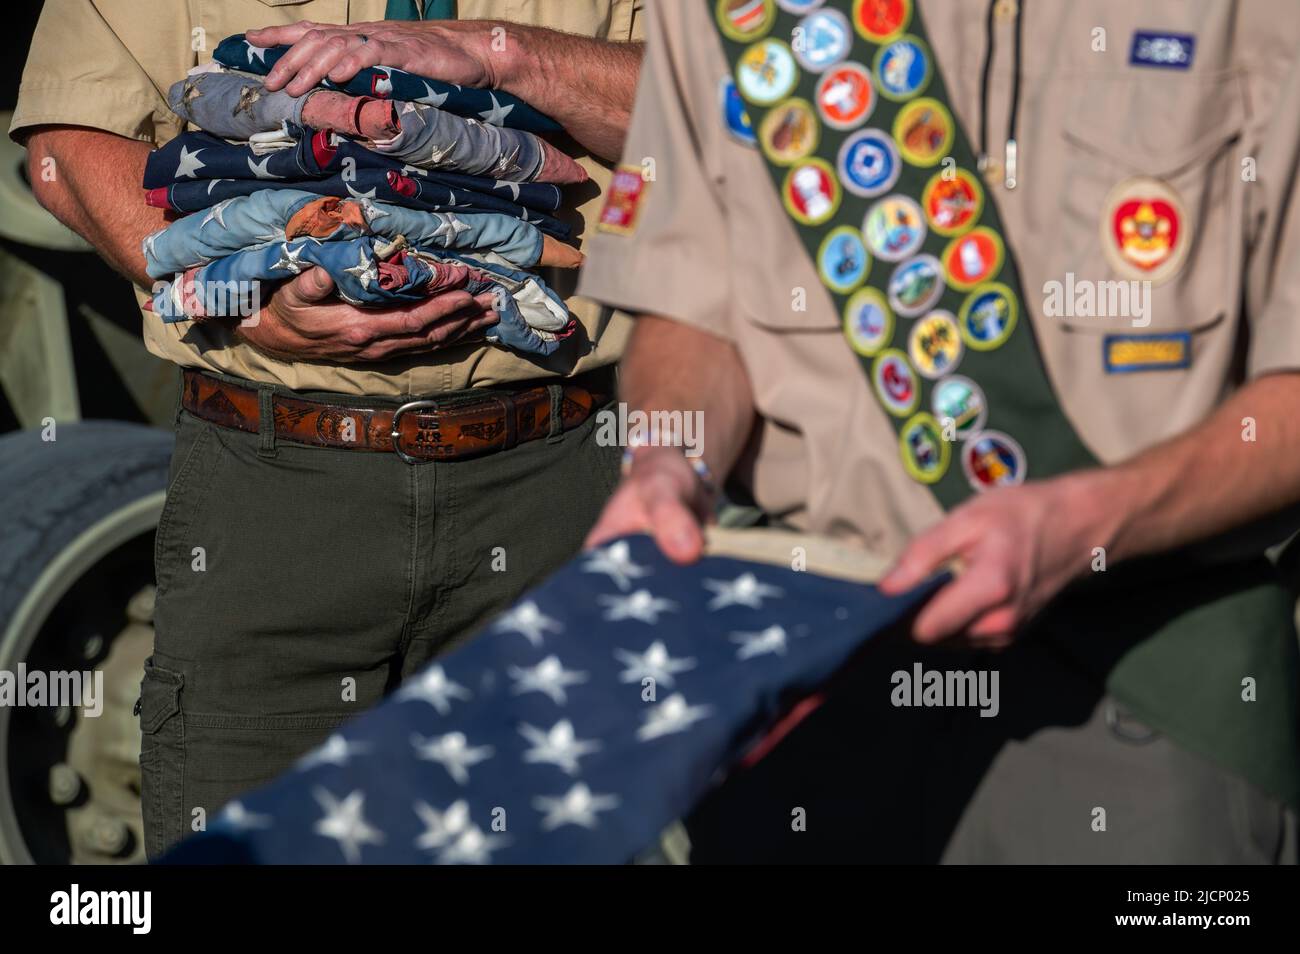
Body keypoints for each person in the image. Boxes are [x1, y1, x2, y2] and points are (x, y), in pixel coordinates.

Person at [578, 0, 1300, 862]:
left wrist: (1088, 520)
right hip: (817, 672)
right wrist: (668, 464)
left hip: (1143, 689)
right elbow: (693, 303)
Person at [11, 0, 643, 859]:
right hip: (278, 502)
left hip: (556, 489)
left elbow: (735, 107)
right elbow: (69, 142)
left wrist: (504, 57)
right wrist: (242, 293)